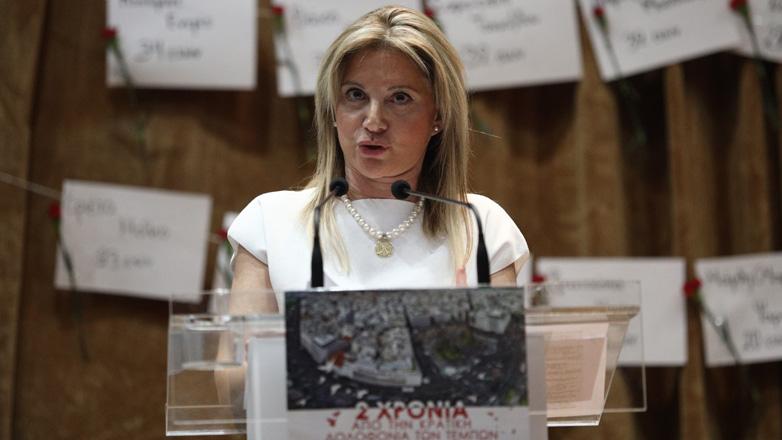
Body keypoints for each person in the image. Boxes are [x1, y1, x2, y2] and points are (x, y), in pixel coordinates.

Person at [227, 5, 529, 311]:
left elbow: (504, 343)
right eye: (355, 95)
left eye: (400, 98)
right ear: (333, 109)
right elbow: (243, 343)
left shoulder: (481, 225)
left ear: (438, 116)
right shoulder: (270, 223)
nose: (373, 122)